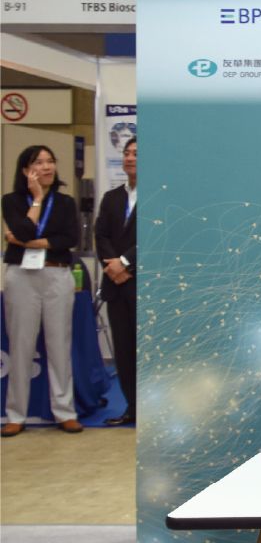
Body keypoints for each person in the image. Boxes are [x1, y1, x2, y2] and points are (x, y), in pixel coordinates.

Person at [1, 145, 84, 436]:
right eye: (39, 162)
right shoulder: (11, 200)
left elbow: (70, 238)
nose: (47, 167)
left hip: (57, 274)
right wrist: (36, 199)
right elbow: (23, 229)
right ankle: (16, 414)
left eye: (50, 161)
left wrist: (30, 241)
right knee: (21, 345)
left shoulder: (65, 202)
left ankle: (65, 411)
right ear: (26, 170)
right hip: (22, 276)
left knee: (59, 344)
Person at [96, 137, 137, 426]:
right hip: (115, 284)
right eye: (127, 153)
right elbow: (100, 236)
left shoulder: (158, 196)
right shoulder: (111, 198)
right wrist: (112, 266)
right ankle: (132, 408)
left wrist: (125, 262)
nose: (130, 158)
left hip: (141, 282)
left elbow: (154, 237)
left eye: (136, 154)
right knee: (122, 351)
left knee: (144, 349)